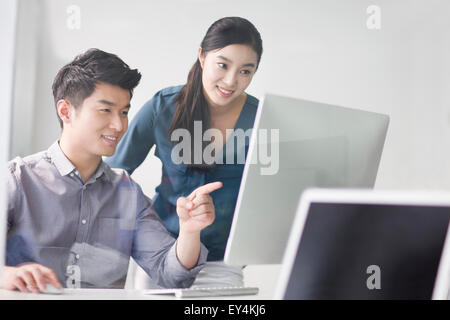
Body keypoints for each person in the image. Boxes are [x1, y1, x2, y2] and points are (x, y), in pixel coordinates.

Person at [1, 48, 221, 293]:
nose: (118, 125)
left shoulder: (127, 192)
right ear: (65, 111)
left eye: (124, 112)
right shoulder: (16, 180)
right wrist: (5, 275)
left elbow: (170, 274)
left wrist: (189, 231)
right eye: (105, 110)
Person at [106, 17, 263, 287]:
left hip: (221, 263)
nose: (231, 80)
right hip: (161, 255)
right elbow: (113, 175)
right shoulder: (163, 107)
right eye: (223, 65)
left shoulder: (261, 119)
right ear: (202, 56)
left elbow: (271, 195)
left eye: (245, 71)